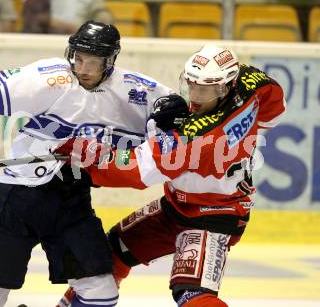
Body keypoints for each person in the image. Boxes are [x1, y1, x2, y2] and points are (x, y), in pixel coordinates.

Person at [0, 21, 178, 307]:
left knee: (102, 293)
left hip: (72, 202)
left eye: (93, 62)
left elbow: (173, 104)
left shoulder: (133, 90)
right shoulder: (52, 76)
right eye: (79, 58)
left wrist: (174, 112)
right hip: (19, 199)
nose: (83, 68)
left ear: (110, 62)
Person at [55, 44, 286, 307]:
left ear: (226, 87)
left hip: (211, 218)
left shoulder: (197, 137)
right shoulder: (249, 82)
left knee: (192, 294)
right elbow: (275, 106)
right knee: (108, 255)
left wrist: (86, 155)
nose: (196, 97)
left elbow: (137, 170)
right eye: (192, 86)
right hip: (175, 208)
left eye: (206, 90)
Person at [22, 0, 106, 34]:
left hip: (82, 40)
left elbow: (97, 12)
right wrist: (73, 29)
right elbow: (34, 14)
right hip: (47, 36)